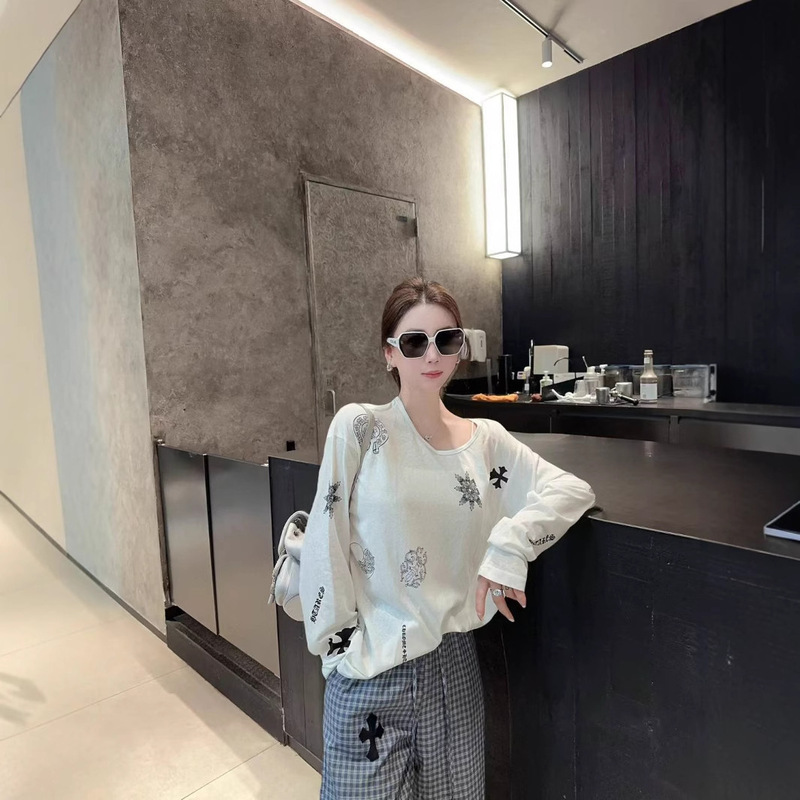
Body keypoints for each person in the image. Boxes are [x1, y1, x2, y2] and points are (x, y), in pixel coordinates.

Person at [298, 277, 595, 799]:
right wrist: (338, 651)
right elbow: (326, 540)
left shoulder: (486, 442)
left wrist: (510, 545)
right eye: (415, 341)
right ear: (390, 353)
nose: (432, 354)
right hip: (371, 666)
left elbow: (572, 490)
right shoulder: (360, 428)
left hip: (453, 665)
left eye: (447, 339)